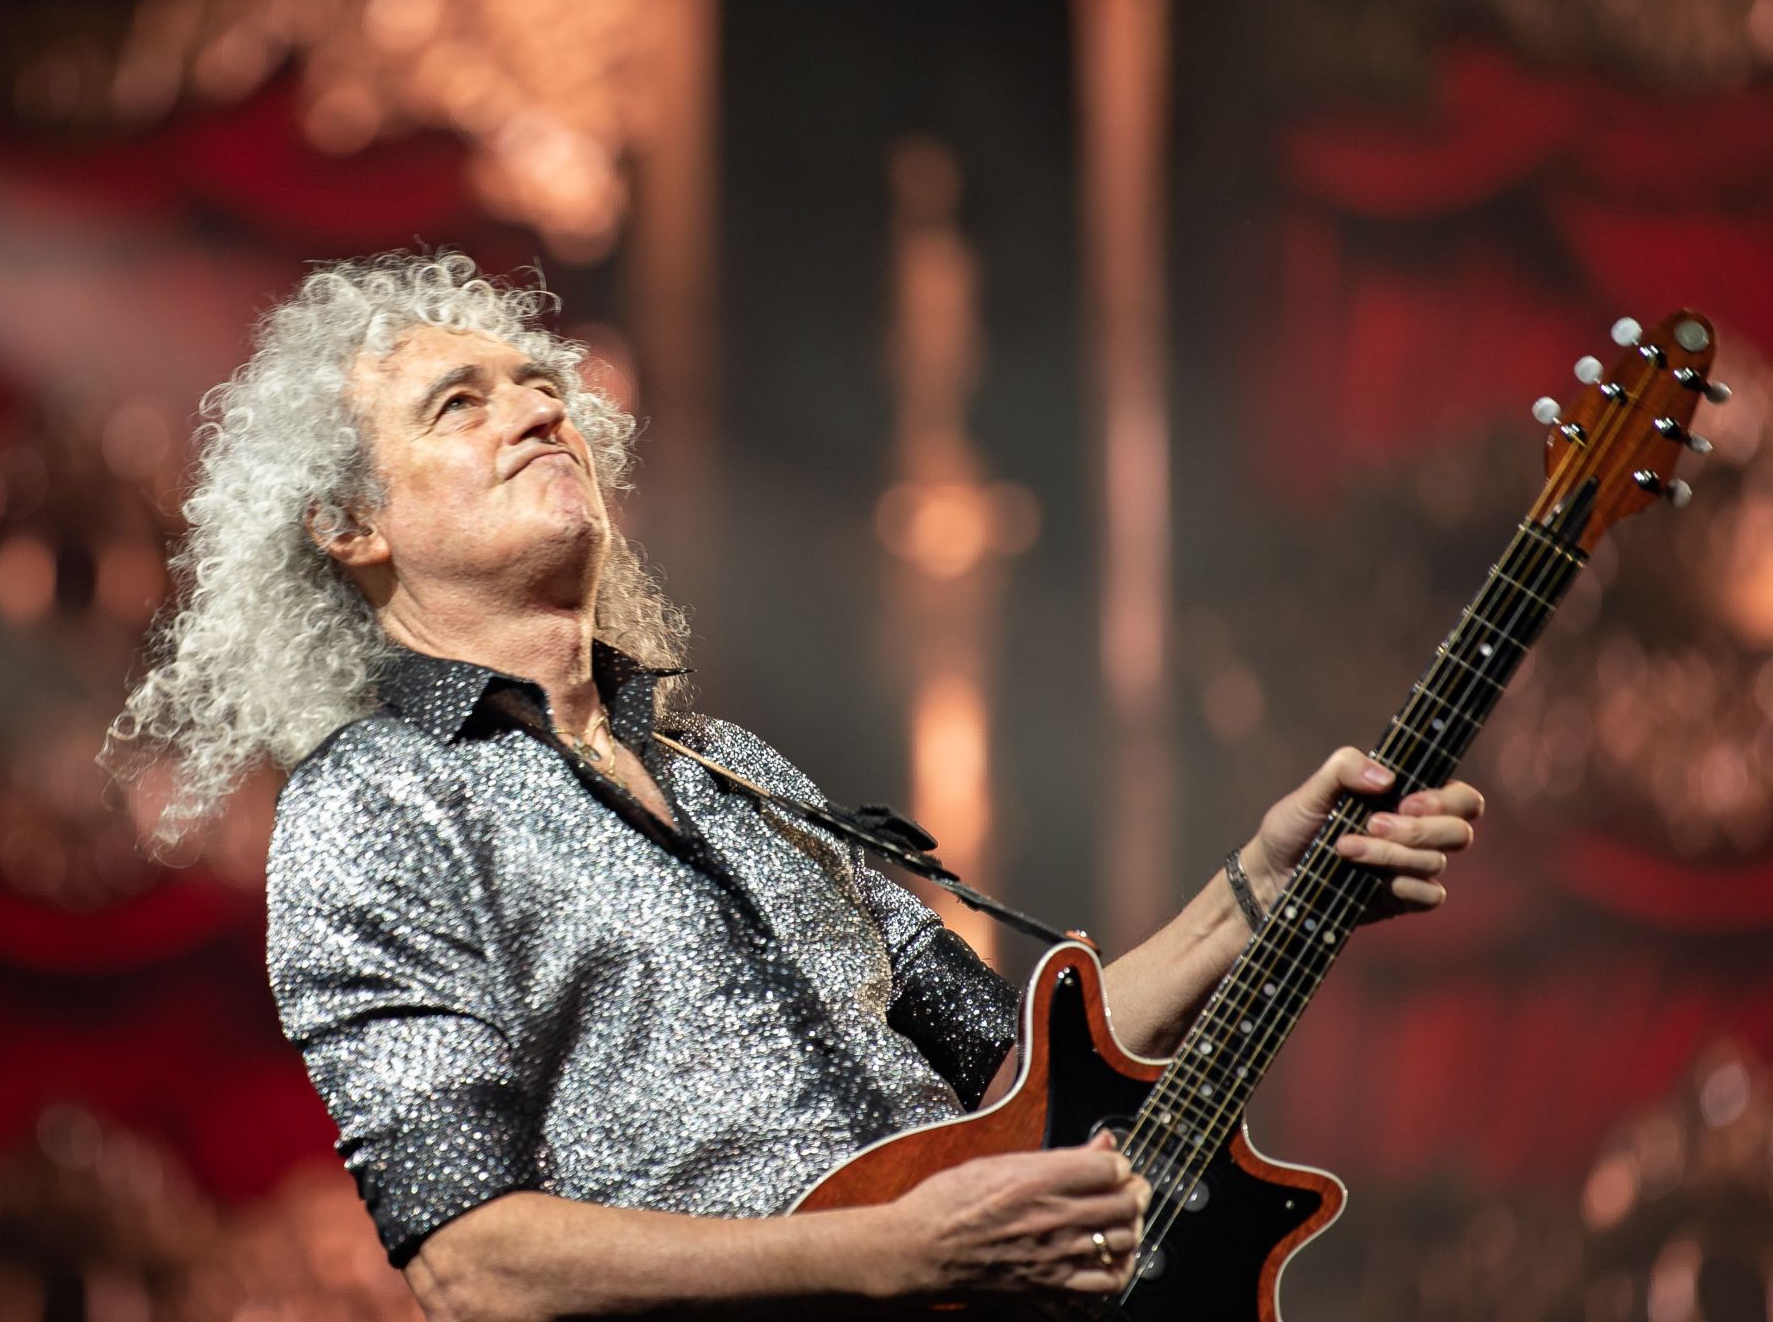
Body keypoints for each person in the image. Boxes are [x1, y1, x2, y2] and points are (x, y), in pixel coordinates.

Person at [109, 253, 1481, 1319]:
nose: (536, 408)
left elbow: (1024, 1069)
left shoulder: (732, 768)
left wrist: (1268, 888)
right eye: (458, 405)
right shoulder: (375, 805)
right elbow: (473, 1266)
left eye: (540, 386)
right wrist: (895, 1252)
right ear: (349, 527)